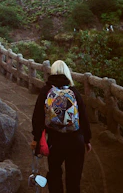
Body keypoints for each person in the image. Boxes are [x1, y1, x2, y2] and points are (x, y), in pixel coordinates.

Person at [31, 60, 92, 193]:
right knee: (74, 178)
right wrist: (87, 139)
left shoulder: (46, 91)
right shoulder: (73, 91)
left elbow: (37, 117)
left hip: (55, 141)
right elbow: (84, 117)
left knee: (54, 174)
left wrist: (36, 138)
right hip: (76, 141)